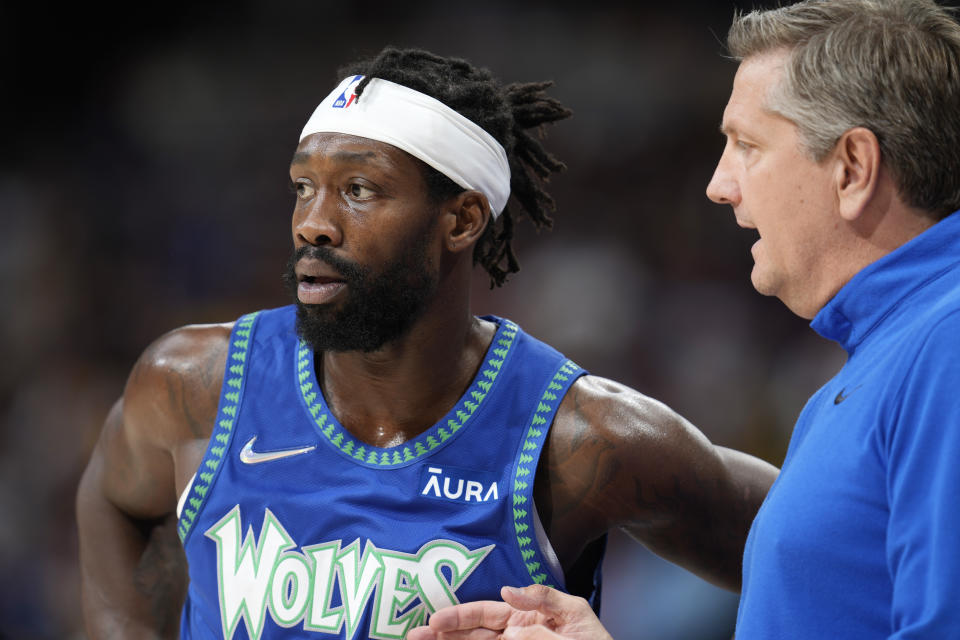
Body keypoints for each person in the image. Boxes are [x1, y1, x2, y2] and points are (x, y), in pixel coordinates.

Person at [75, 47, 777, 639]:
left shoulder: (585, 440)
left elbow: (838, 548)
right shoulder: (194, 382)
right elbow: (111, 501)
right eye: (302, 187)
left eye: (357, 189)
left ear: (463, 220)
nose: (312, 224)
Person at [410, 0, 960, 638]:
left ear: (852, 168)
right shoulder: (886, 359)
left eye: (747, 146)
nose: (719, 185)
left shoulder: (944, 346)